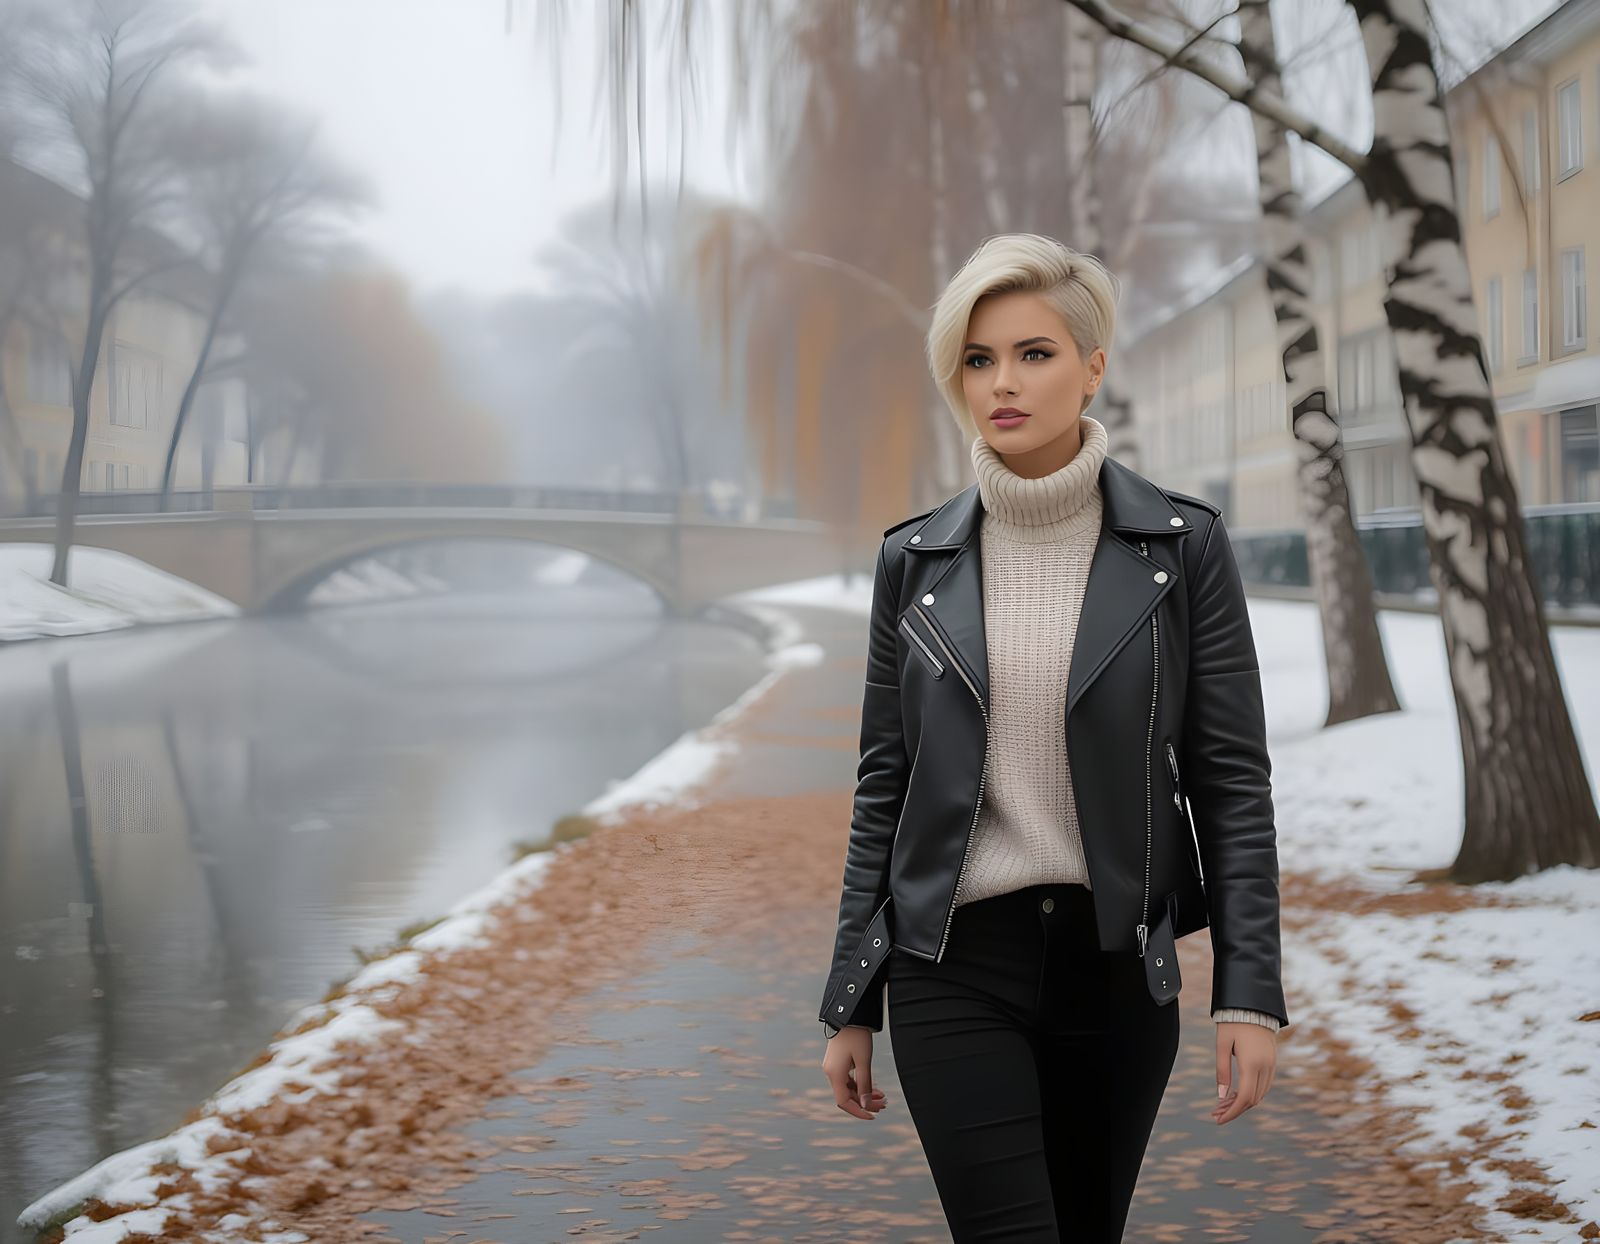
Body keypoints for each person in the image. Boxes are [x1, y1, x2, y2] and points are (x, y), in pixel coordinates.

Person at [817, 233, 1290, 1243]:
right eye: (978, 359)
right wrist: (852, 999)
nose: (1003, 382)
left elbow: (1231, 783)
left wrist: (1249, 993)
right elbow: (884, 784)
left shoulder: (1181, 548)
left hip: (1116, 969)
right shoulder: (915, 559)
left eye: (1034, 353)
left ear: (1092, 366)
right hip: (952, 963)